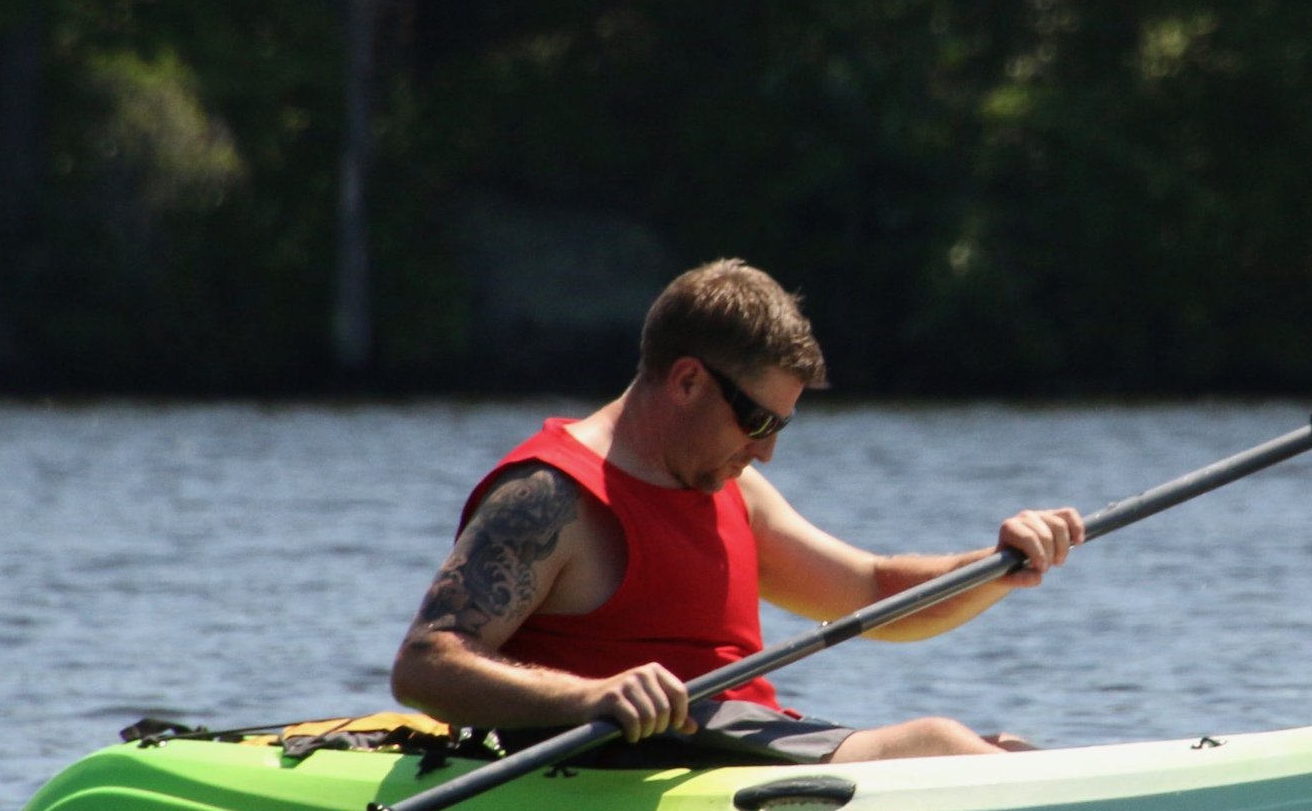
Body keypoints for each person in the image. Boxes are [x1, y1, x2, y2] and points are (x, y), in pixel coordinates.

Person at [389, 259, 1086, 763]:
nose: (769, 452)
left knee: (1004, 751)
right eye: (758, 420)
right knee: (938, 745)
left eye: (781, 426)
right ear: (688, 380)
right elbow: (424, 664)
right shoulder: (550, 497)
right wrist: (589, 697)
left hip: (735, 749)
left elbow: (871, 590)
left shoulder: (732, 489)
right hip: (616, 762)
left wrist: (997, 565)